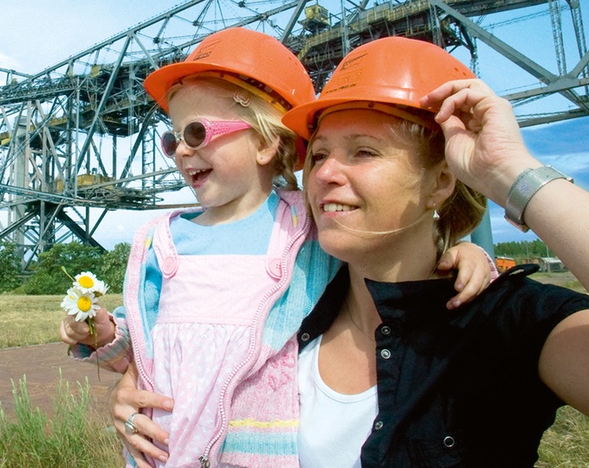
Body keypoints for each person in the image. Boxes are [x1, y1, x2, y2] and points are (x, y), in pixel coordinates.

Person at [110, 36, 589, 467]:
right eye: (318, 154)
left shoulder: (505, 325)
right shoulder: (287, 313)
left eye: (363, 151)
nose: (325, 174)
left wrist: (513, 174)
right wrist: (145, 391)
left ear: (441, 181)